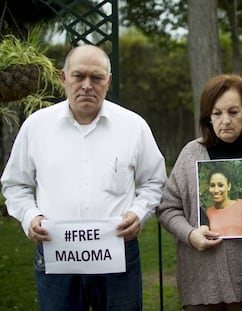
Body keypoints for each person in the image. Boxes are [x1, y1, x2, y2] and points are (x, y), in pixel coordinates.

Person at [0, 44, 167, 311]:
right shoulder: (36, 127)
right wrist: (30, 217)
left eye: (97, 78)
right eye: (79, 76)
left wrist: (138, 212)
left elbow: (154, 182)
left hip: (117, 255)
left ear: (108, 82)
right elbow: (15, 184)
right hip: (57, 256)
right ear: (63, 78)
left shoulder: (133, 126)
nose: (87, 85)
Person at [156, 74, 242, 311]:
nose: (225, 120)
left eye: (233, 112)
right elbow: (167, 208)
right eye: (217, 113)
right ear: (208, 117)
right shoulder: (190, 155)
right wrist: (190, 234)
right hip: (200, 278)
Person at [205, 168, 242, 237]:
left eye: (220, 185)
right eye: (212, 185)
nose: (216, 190)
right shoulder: (209, 212)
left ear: (229, 186)